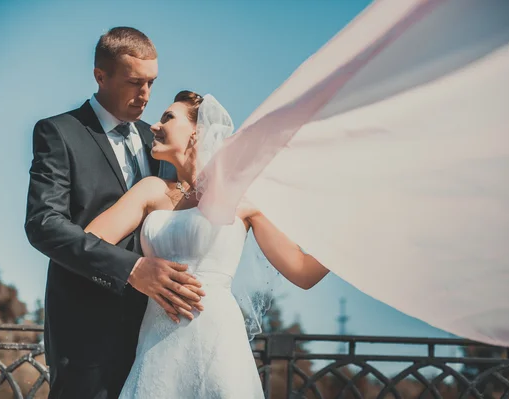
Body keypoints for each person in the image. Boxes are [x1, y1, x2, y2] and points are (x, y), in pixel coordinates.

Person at [84, 91, 330, 398]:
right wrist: (137, 272)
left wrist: (351, 237)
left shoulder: (243, 196)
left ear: (197, 132)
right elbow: (88, 243)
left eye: (167, 118)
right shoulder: (151, 190)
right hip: (156, 341)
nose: (154, 128)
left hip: (218, 341)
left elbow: (302, 271)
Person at [24, 27, 204, 399]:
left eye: (152, 82)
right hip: (87, 328)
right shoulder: (59, 133)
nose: (146, 95)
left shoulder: (158, 141)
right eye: (134, 82)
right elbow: (44, 224)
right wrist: (132, 269)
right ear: (100, 76)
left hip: (157, 331)